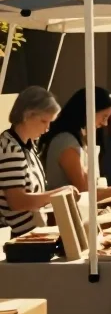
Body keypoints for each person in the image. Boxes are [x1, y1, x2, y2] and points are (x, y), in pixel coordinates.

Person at [0, 87, 72, 238]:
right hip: (17, 239)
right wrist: (59, 193)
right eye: (44, 121)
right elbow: (17, 201)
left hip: (31, 234)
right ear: (27, 116)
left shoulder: (27, 145)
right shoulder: (10, 149)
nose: (47, 129)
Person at [42, 87, 111, 198]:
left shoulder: (78, 138)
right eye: (104, 117)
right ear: (88, 111)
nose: (105, 123)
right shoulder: (66, 142)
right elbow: (84, 191)